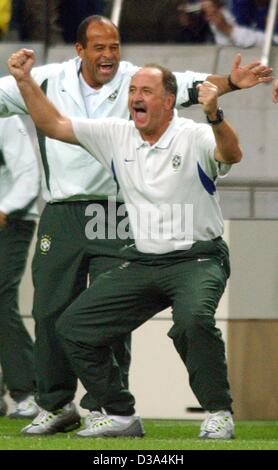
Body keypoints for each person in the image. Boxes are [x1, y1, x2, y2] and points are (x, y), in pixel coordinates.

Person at [1, 15, 272, 436]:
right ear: (80, 51)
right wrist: (22, 79)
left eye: (115, 47)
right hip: (103, 233)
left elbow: (218, 123)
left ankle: (165, 409)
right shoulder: (83, 107)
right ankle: (84, 408)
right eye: (100, 48)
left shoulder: (174, 117)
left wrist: (226, 94)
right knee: (60, 317)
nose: (110, 57)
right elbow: (52, 124)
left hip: (159, 235)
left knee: (159, 321)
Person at [0, 115, 40, 419]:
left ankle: (29, 392)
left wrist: (5, 208)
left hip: (10, 221)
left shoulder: (5, 118)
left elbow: (28, 175)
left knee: (1, 300)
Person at [200, 0, 278, 47]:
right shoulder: (240, 3)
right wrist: (215, 12)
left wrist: (229, 30)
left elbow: (273, 43)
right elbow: (228, 45)